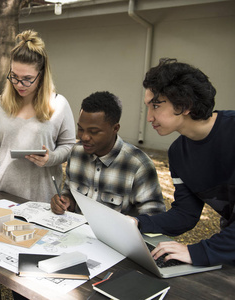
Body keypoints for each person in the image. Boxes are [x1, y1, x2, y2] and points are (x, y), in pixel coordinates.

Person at [137, 58, 235, 267]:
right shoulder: (178, 153)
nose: (149, 117)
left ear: (185, 105)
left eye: (155, 106)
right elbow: (185, 214)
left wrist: (199, 251)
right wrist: (135, 223)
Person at [0, 30, 76, 202]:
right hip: (2, 196)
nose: (19, 84)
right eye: (14, 76)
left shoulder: (59, 104)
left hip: (43, 200)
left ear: (41, 75)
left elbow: (69, 146)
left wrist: (52, 158)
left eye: (27, 78)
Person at [51, 91, 165, 217]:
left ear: (115, 128)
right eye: (81, 129)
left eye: (93, 132)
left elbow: (154, 217)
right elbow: (70, 193)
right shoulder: (76, 153)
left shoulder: (139, 165)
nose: (84, 137)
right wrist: (65, 201)